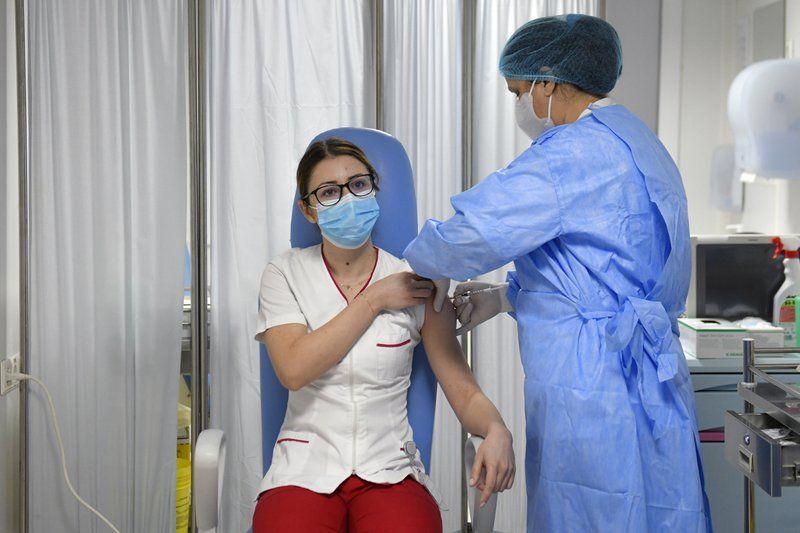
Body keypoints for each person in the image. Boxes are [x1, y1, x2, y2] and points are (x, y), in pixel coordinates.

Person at [404, 14, 712, 533]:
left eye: (518, 91)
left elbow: (472, 234)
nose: (519, 104)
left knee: (593, 510)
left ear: (546, 82)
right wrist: (508, 296)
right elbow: (607, 266)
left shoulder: (568, 154)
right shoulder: (641, 142)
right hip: (653, 379)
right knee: (658, 510)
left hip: (592, 382)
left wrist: (419, 258)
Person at [252, 138, 515, 532]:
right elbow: (293, 368)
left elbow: (464, 391)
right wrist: (375, 299)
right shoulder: (284, 273)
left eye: (358, 185)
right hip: (303, 470)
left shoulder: (419, 281)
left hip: (390, 469)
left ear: (374, 190)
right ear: (308, 210)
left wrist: (496, 428)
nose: (348, 200)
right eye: (329, 192)